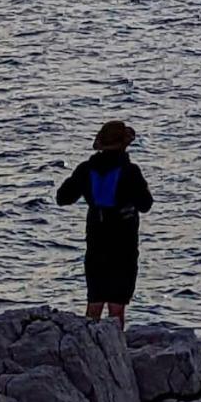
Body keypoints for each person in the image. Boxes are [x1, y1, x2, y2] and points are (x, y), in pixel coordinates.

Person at [56, 120, 153, 330]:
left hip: (96, 240)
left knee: (94, 303)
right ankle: (114, 344)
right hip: (124, 243)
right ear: (124, 145)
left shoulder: (86, 169)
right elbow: (146, 205)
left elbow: (62, 198)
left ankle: (90, 343)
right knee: (117, 307)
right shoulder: (130, 171)